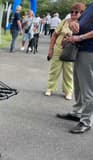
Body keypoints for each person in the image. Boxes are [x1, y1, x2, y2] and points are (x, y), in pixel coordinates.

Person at [57, 2, 93, 134]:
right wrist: (73, 23)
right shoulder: (90, 6)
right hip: (81, 49)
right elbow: (79, 20)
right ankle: (77, 112)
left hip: (90, 51)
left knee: (88, 88)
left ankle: (86, 121)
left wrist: (80, 37)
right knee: (78, 84)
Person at [45, 3, 85, 100]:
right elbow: (54, 35)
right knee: (54, 70)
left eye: (76, 12)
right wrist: (50, 49)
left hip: (71, 51)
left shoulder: (83, 24)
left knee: (69, 72)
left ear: (82, 13)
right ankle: (50, 88)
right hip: (58, 49)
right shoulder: (64, 22)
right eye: (72, 12)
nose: (73, 14)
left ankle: (68, 91)